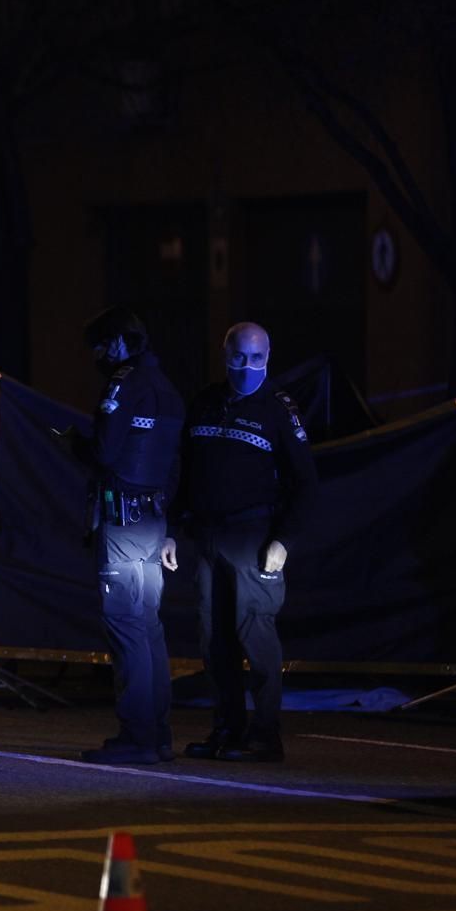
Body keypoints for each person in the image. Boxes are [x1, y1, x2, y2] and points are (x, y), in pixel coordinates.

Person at [169, 322, 316, 764]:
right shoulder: (207, 403)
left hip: (254, 537)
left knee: (256, 636)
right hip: (209, 537)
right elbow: (186, 473)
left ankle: (265, 736)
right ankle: (227, 730)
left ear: (268, 358)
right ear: (224, 353)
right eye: (238, 356)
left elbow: (306, 483)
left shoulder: (278, 409)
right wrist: (174, 529)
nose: (246, 366)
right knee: (214, 641)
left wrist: (284, 541)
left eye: (255, 358)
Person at [70, 306, 184, 765]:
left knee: (125, 625)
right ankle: (156, 734)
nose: (97, 356)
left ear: (117, 342)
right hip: (154, 520)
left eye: (99, 346)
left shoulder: (124, 385)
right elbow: (175, 464)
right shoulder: (171, 392)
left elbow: (105, 451)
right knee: (149, 626)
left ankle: (137, 736)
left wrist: (72, 443)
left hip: (123, 520)